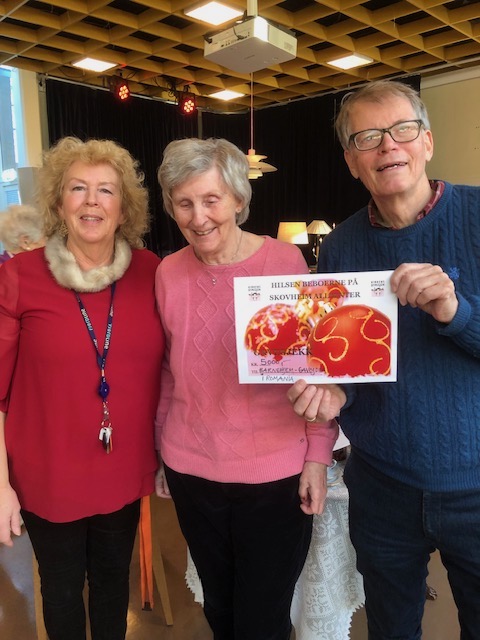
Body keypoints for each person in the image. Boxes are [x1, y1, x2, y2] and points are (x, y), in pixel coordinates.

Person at [287, 79, 480, 639]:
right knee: (391, 629)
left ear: (428, 141)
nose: (388, 145)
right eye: (367, 137)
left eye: (402, 130)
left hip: (475, 486)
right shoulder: (341, 246)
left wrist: (456, 312)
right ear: (352, 162)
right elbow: (345, 364)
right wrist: (331, 391)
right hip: (382, 486)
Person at [155, 137, 338, 640]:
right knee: (219, 606)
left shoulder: (284, 262)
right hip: (192, 468)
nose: (198, 217)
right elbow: (169, 369)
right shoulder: (168, 272)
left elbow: (317, 369)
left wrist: (317, 456)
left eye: (211, 200)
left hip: (274, 475)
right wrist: (161, 452)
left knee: (263, 617)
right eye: (184, 203)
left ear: (238, 198)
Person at [0, 136, 164, 640]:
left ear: (124, 209)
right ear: (58, 204)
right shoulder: (19, 276)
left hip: (123, 467)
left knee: (113, 586)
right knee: (62, 592)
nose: (92, 201)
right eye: (78, 188)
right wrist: (0, 485)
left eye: (106, 190)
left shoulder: (150, 272)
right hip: (46, 473)